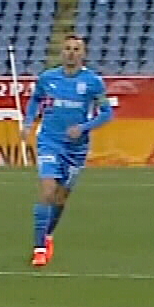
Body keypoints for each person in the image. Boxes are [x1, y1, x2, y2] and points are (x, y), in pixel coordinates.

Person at [24, 34, 112, 268]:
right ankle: (39, 248)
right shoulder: (47, 78)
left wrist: (83, 128)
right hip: (50, 141)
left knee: (61, 197)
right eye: (67, 48)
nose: (71, 52)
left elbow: (106, 113)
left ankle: (49, 234)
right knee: (47, 189)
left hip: (76, 148)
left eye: (76, 49)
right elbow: (35, 101)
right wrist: (28, 123)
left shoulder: (93, 82)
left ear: (83, 54)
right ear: (61, 52)